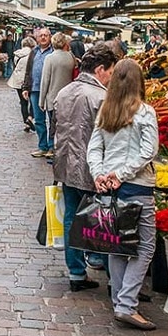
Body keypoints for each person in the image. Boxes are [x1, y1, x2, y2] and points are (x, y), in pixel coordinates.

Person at [86, 58, 160, 331]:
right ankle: (127, 304)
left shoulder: (107, 110)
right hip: (137, 185)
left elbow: (94, 148)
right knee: (144, 246)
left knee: (116, 244)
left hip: (110, 187)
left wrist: (100, 174)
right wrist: (121, 174)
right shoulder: (144, 112)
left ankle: (120, 300)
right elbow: (148, 151)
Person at [52, 43, 119, 291]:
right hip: (93, 169)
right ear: (100, 69)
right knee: (103, 221)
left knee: (72, 217)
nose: (111, 78)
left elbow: (55, 129)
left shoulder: (65, 92)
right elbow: (109, 137)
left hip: (65, 165)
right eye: (110, 72)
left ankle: (76, 274)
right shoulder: (101, 97)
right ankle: (114, 278)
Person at [38, 32, 77, 163]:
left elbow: (45, 81)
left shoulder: (50, 58)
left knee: (53, 125)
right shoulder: (71, 57)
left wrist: (41, 100)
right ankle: (62, 149)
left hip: (52, 97)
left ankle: (52, 148)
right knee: (64, 125)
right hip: (68, 98)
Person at [20, 27, 54, 158]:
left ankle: (51, 146)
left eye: (46, 35)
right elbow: (28, 71)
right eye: (41, 36)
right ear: (37, 38)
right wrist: (25, 88)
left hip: (50, 90)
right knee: (39, 120)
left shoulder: (53, 51)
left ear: (50, 37)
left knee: (52, 120)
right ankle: (42, 146)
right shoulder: (34, 52)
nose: (43, 38)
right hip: (35, 89)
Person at [8, 37, 35, 132]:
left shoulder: (17, 54)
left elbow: (15, 65)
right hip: (30, 80)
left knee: (23, 102)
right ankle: (30, 117)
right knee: (33, 101)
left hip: (18, 80)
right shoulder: (33, 54)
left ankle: (26, 122)